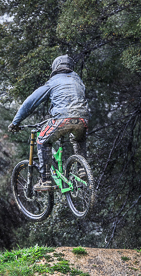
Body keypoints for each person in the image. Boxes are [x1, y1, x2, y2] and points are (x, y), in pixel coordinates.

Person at [8, 54, 90, 191]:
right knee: (78, 139)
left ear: (55, 67)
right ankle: (82, 169)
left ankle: (44, 180)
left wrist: (15, 122)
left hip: (61, 119)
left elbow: (30, 103)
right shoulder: (78, 80)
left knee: (42, 141)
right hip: (83, 119)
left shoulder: (53, 82)